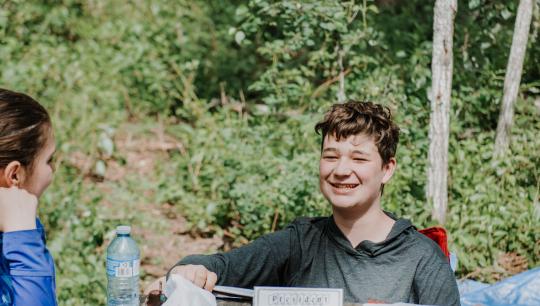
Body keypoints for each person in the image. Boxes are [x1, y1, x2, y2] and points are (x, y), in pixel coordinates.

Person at [148, 101, 460, 305]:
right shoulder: (300, 242)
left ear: (387, 169)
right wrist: (191, 271)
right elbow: (220, 267)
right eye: (331, 156)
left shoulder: (421, 257)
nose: (340, 170)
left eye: (359, 158)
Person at [0, 88, 57, 306]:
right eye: (49, 160)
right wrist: (23, 238)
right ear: (15, 174)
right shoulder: (20, 232)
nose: (53, 170)